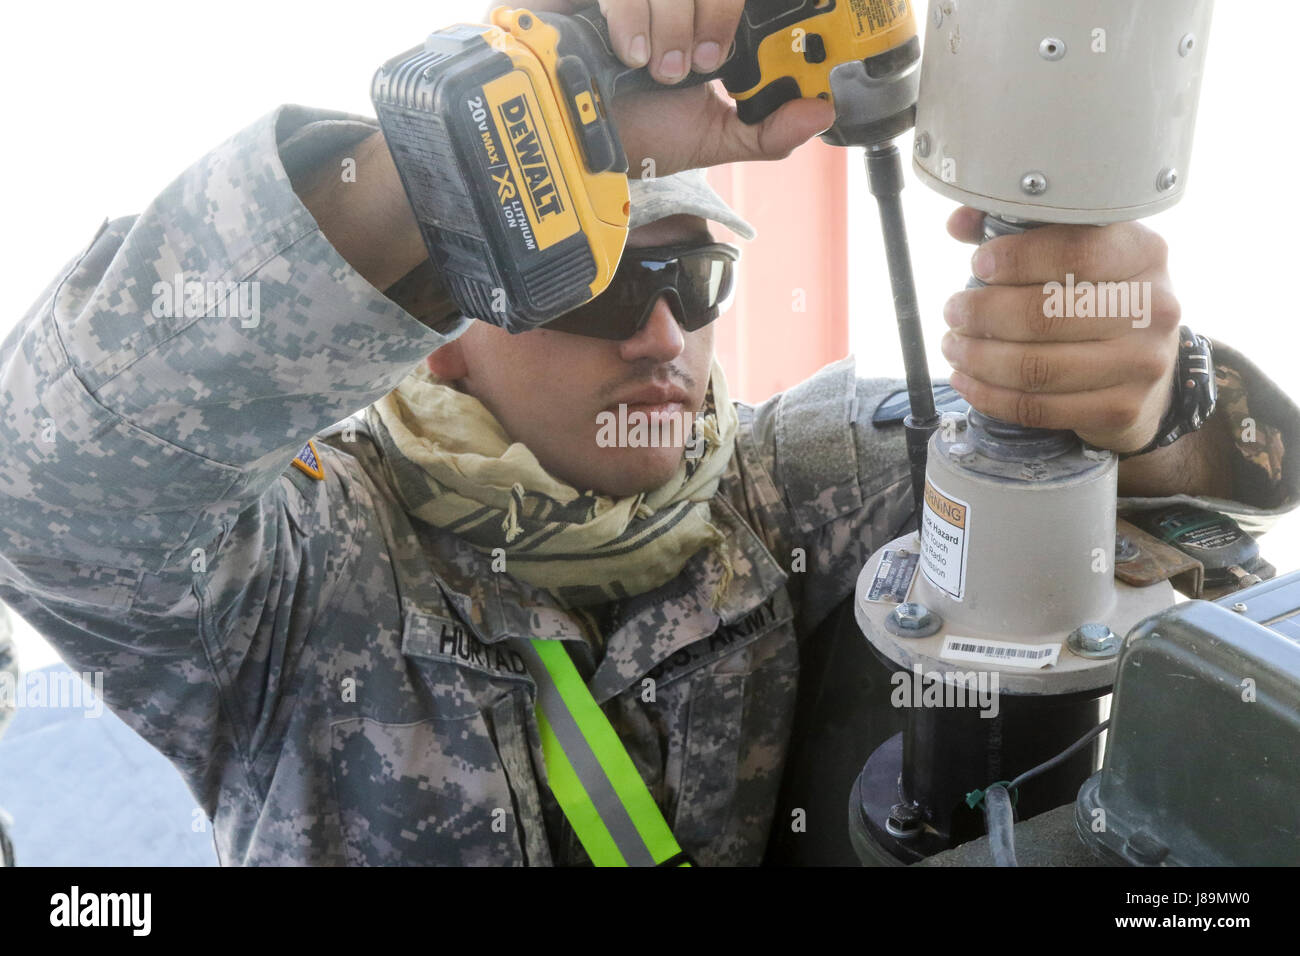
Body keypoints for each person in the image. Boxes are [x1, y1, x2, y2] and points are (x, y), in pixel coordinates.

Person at [0, 0, 1295, 866]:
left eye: (693, 282)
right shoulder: (301, 568)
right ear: (447, 320)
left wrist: (1139, 390)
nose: (662, 338)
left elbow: (1231, 481)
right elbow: (54, 483)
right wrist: (477, 140)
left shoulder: (768, 493)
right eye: (605, 284)